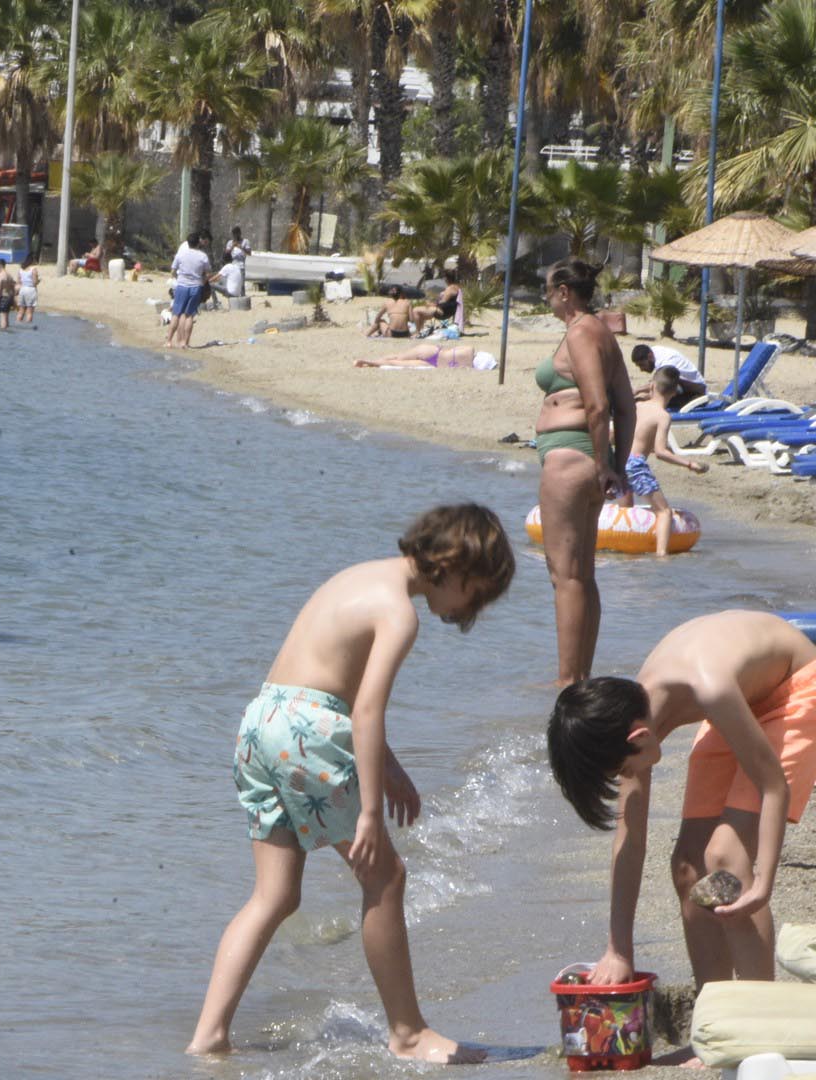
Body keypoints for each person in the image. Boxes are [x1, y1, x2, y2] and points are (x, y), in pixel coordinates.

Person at [187, 504, 513, 1060]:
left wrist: (390, 768)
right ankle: (408, 1033)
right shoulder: (399, 615)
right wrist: (367, 811)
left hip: (263, 722)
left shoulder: (358, 577)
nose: (468, 610)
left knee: (274, 895)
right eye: (475, 594)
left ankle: (209, 1036)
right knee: (385, 877)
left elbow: (326, 682)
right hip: (311, 733)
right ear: (454, 565)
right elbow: (362, 710)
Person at [546, 611, 816, 998]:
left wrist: (764, 883)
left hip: (797, 686)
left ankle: (760, 1015)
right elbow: (630, 836)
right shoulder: (625, 716)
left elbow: (773, 785)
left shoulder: (709, 688)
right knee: (689, 866)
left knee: (726, 860)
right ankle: (712, 1015)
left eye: (624, 769)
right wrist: (618, 949)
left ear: (639, 737)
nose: (627, 776)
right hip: (743, 699)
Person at [535, 258, 637, 686]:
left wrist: (604, 465)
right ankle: (582, 677)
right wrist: (616, 465)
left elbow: (598, 405)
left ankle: (566, 682)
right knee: (582, 574)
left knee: (565, 575)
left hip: (571, 461)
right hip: (590, 460)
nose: (545, 296)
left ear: (563, 291)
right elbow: (628, 405)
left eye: (547, 288)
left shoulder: (580, 333)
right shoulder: (601, 333)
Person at [616, 367, 710, 556]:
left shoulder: (637, 406)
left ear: (651, 385)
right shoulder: (662, 416)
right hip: (635, 464)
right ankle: (661, 556)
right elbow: (660, 452)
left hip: (619, 461)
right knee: (664, 512)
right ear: (675, 392)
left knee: (626, 510)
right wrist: (689, 464)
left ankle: (625, 553)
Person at [166, 232, 212, 349]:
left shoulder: (181, 254)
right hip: (195, 287)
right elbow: (208, 274)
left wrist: (178, 279)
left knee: (176, 314)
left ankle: (169, 341)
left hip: (182, 286)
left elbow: (172, 271)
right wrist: (202, 282)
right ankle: (184, 342)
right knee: (189, 315)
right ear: (198, 242)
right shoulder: (203, 256)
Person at [630, 343, 708, 408]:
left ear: (649, 356)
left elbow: (659, 383)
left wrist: (637, 390)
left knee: (652, 402)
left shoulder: (666, 361)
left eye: (642, 365)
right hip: (683, 388)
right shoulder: (653, 352)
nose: (641, 369)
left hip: (697, 393)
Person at [354, 343, 498, 369]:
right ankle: (369, 362)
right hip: (434, 363)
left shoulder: (469, 350)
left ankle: (369, 361)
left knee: (398, 358)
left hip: (434, 352)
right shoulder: (466, 365)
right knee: (398, 362)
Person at [0, 257, 16, 331]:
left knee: (3, 317)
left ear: (0, 265)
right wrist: (13, 299)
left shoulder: (1, 276)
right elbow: (13, 287)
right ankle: (7, 332)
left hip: (3, 298)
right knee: (6, 317)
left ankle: (3, 332)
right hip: (9, 297)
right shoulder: (9, 275)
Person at [16, 257, 40, 323]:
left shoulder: (21, 270)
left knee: (21, 311)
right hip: (31, 290)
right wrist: (38, 281)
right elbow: (35, 282)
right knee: (29, 312)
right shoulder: (33, 269)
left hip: (22, 289)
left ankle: (18, 325)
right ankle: (28, 328)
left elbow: (18, 282)